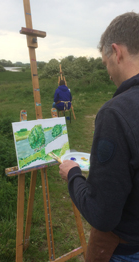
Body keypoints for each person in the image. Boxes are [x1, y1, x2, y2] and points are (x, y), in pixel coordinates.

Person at [59, 12, 139, 262]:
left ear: (117, 52)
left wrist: (72, 174)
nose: (109, 73)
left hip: (127, 250)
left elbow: (102, 214)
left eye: (106, 64)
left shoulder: (115, 113)